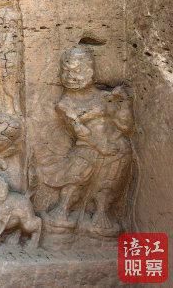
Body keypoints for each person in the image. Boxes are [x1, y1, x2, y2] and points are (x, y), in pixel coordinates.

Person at [43, 46, 133, 236]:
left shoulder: (105, 97)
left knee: (108, 183)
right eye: (66, 71)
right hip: (88, 148)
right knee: (77, 177)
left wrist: (124, 103)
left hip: (117, 149)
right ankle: (63, 209)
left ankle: (101, 213)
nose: (70, 77)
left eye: (76, 71)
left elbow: (125, 125)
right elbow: (81, 132)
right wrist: (101, 146)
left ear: (90, 71)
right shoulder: (65, 104)